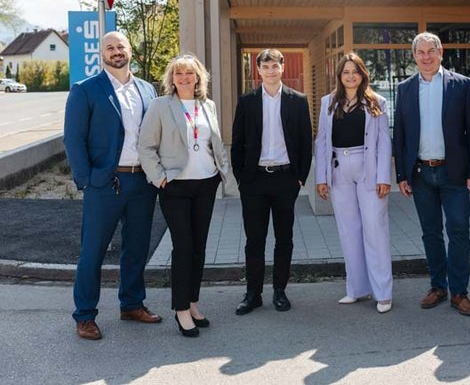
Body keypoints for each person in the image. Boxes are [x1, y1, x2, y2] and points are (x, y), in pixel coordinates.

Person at [64, 31, 162, 341]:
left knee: (137, 248)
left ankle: (131, 304)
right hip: (105, 183)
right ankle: (85, 315)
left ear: (130, 50)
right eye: (110, 47)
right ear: (101, 53)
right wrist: (88, 180)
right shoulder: (85, 90)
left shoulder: (147, 89)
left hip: (141, 181)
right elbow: (73, 139)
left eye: (120, 46)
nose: (116, 51)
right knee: (92, 252)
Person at [138, 54, 229, 337]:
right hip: (175, 187)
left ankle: (192, 303)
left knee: (199, 247)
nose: (184, 78)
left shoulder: (208, 105)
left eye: (190, 73)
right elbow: (146, 147)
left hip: (205, 184)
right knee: (184, 246)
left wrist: (222, 171)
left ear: (198, 77)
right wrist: (160, 178)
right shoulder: (160, 105)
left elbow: (215, 142)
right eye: (179, 73)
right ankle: (180, 310)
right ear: (172, 78)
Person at [393, 32, 470, 316]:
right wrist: (401, 175)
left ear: (440, 52)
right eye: (420, 52)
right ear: (414, 56)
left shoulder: (461, 84)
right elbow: (400, 135)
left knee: (459, 231)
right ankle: (437, 286)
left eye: (431, 51)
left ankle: (459, 292)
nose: (426, 57)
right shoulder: (405, 88)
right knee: (430, 233)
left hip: (454, 173)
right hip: (421, 174)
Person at [231, 48, 312, 316]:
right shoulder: (247, 101)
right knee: (254, 240)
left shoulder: (298, 100)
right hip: (254, 181)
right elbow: (237, 143)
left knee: (284, 238)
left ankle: (280, 290)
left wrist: (300, 177)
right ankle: (253, 294)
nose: (270, 71)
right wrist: (242, 179)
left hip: (285, 179)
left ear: (282, 67)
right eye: (265, 67)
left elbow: (305, 142)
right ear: (258, 70)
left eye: (274, 66)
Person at [315, 53, 393, 313]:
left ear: (362, 75)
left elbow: (384, 142)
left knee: (374, 229)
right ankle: (356, 289)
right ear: (339, 76)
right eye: (346, 72)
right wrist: (321, 177)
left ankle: (383, 293)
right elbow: (322, 141)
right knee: (348, 230)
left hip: (368, 168)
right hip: (339, 169)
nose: (350, 76)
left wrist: (384, 177)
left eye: (355, 71)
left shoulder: (377, 102)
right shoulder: (327, 102)